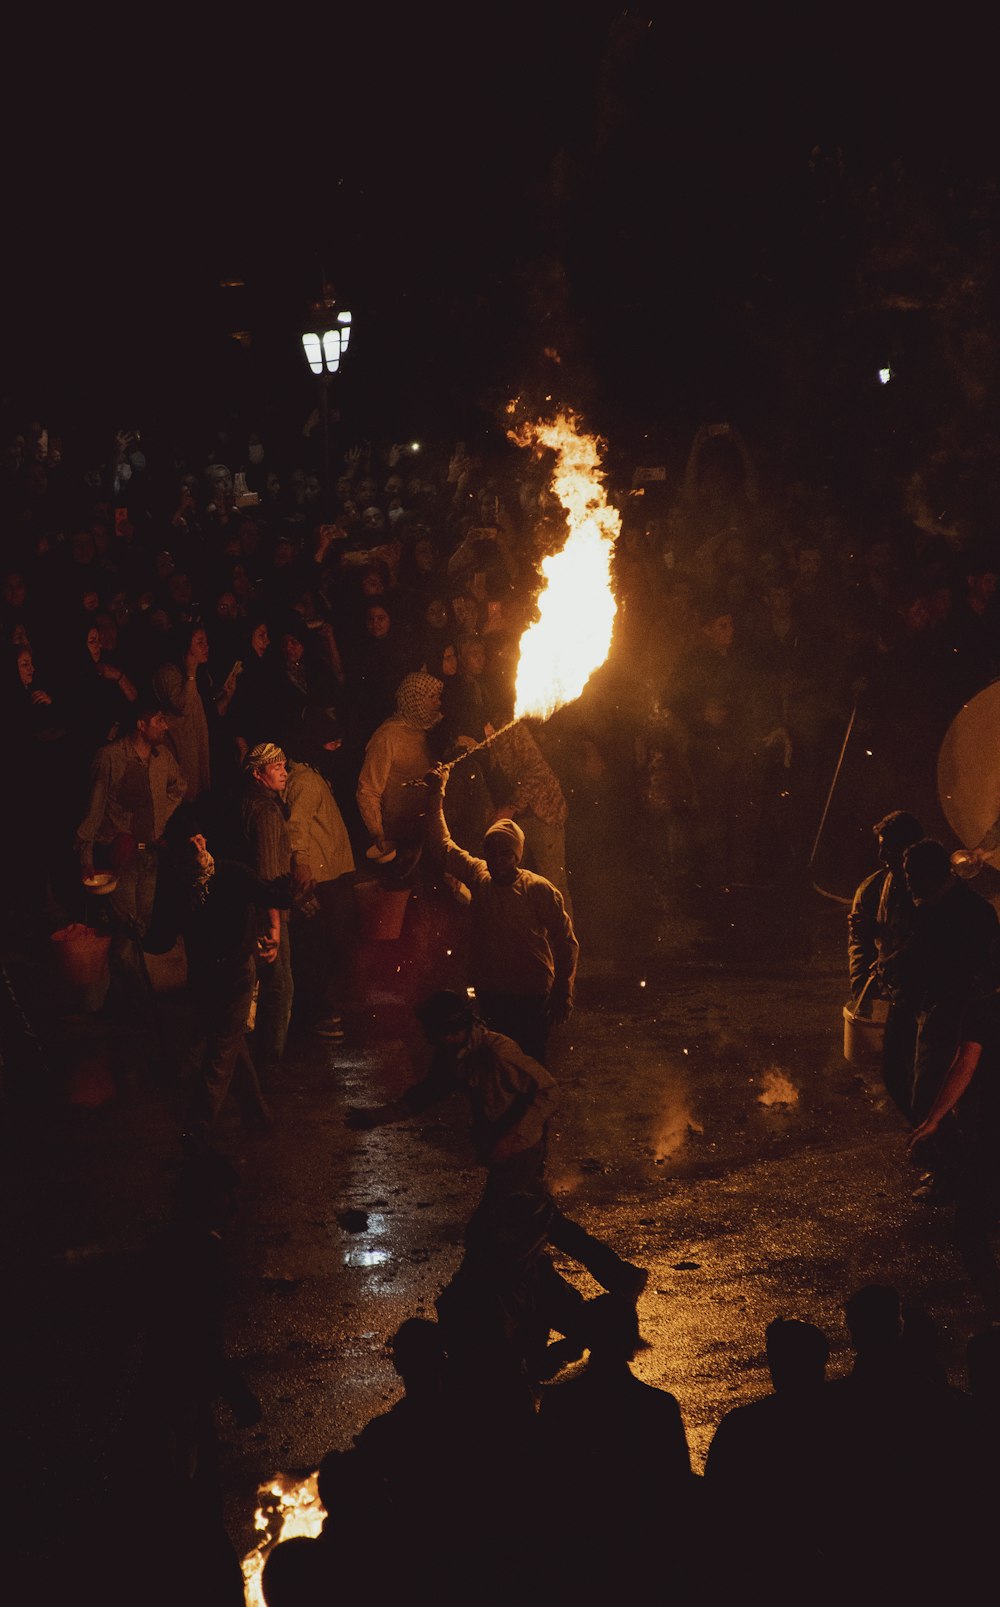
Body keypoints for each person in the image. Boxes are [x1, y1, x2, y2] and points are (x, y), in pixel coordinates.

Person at [346, 990, 647, 1302]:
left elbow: (548, 1091)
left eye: (435, 1033)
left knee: (487, 1232)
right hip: (505, 1153)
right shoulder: (455, 1055)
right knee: (539, 1223)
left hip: (522, 1152)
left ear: (454, 1030)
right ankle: (612, 1279)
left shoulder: (498, 1053)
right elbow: (425, 1094)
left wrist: (511, 1138)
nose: (431, 1040)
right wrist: (377, 1117)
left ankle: (500, 1302)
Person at [423, 765, 578, 1064]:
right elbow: (441, 845)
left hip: (531, 993)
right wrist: (435, 794)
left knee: (530, 1064)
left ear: (517, 855)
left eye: (504, 853)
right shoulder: (479, 876)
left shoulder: (538, 890)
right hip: (492, 991)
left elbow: (566, 941)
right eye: (491, 851)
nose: (496, 859)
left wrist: (563, 989)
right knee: (496, 1063)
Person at [897, 837, 999, 1196]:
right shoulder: (933, 905)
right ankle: (954, 1171)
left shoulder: (969, 911)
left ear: (930, 873)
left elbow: (977, 969)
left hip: (956, 1013)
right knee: (939, 1093)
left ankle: (953, 1176)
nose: (906, 881)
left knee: (933, 1093)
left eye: (911, 874)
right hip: (939, 1009)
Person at [76, 701, 186, 1013]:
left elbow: (180, 786)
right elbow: (93, 809)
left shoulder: (161, 757)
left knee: (141, 926)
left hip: (148, 855)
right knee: (127, 931)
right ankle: (137, 1002)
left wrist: (158, 821)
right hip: (119, 857)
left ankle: (123, 1000)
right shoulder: (110, 757)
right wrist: (86, 855)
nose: (164, 726)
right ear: (141, 724)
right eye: (159, 720)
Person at [180, 833, 291, 1142]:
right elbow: (162, 932)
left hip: (234, 974)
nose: (197, 850)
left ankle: (198, 1128)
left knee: (223, 1047)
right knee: (229, 1046)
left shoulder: (231, 873)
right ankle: (255, 1114)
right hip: (207, 974)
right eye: (189, 846)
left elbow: (272, 895)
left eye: (199, 842)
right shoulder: (182, 881)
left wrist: (287, 889)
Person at [908, 970, 1000, 1318]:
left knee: (970, 1226)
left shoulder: (985, 1009)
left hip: (992, 1132)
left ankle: (996, 1303)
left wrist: (934, 1119)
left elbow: (965, 1064)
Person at [283, 715, 357, 1041]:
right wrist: (302, 866)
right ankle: (315, 1013)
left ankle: (317, 1009)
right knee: (319, 948)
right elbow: (295, 828)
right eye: (331, 743)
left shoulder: (311, 776)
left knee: (325, 946)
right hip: (322, 878)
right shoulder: (306, 782)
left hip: (330, 872)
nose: (337, 748)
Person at [847, 809, 924, 1118]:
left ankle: (940, 1142)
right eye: (880, 846)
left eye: (888, 847)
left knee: (926, 1073)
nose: (881, 855)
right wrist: (860, 991)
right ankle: (931, 1136)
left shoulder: (933, 889)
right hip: (901, 994)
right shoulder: (874, 888)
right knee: (896, 1072)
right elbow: (859, 945)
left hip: (933, 997)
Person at [239, 742, 294, 1087]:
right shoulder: (266, 812)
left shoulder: (247, 803)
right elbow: (269, 873)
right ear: (258, 773)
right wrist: (275, 924)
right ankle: (268, 1066)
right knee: (279, 986)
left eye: (285, 766)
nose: (285, 773)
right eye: (276, 768)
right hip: (266, 911)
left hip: (248, 906)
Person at [356, 670, 443, 860]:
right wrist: (377, 832)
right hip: (398, 834)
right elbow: (368, 789)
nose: (438, 702)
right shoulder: (388, 737)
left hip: (428, 827)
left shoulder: (432, 730)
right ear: (415, 700)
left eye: (438, 696)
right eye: (431, 697)